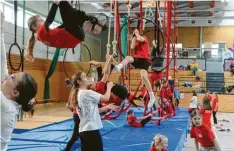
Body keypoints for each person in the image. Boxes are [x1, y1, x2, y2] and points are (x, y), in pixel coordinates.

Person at [1, 11, 38, 151]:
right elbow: (2, 61)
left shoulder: (6, 107)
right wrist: (1, 30)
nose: (9, 75)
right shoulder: (7, 101)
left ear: (15, 92)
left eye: (13, 77)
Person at [26, 0, 106, 62]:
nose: (43, 21)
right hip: (74, 35)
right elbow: (50, 19)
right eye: (40, 20)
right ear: (34, 26)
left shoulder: (42, 37)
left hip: (76, 36)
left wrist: (71, 10)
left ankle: (90, 24)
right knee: (62, 4)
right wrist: (55, 4)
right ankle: (90, 22)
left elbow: (62, 26)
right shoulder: (40, 33)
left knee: (70, 16)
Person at [68, 71, 113, 151]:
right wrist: (109, 87)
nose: (87, 78)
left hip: (84, 131)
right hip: (91, 130)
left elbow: (91, 111)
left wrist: (106, 107)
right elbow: (106, 98)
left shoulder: (79, 93)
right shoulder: (87, 93)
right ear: (79, 81)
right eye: (84, 77)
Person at [114, 29, 155, 108]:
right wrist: (133, 37)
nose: (129, 38)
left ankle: (152, 96)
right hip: (137, 59)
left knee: (143, 76)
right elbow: (132, 47)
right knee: (128, 57)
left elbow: (140, 38)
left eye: (129, 37)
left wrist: (136, 34)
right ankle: (118, 67)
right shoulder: (135, 41)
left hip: (145, 60)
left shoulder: (144, 38)